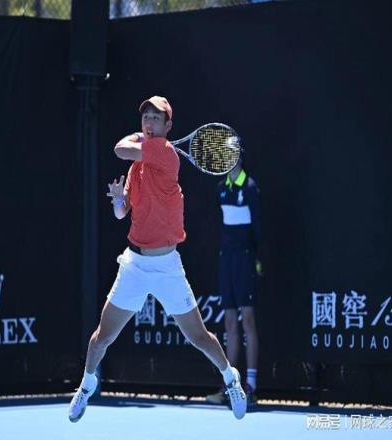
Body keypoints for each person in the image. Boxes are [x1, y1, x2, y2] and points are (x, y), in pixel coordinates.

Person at [69, 96, 247, 422]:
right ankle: (86, 386)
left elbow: (119, 148)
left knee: (198, 337)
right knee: (101, 338)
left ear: (168, 126)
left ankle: (230, 379)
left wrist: (137, 139)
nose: (149, 122)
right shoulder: (136, 168)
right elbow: (122, 213)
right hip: (135, 265)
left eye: (155, 118)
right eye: (145, 117)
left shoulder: (165, 153)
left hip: (167, 266)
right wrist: (118, 200)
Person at [206, 155, 262, 405]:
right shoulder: (221, 189)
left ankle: (251, 386)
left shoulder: (250, 188)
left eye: (234, 155)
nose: (230, 160)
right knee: (229, 321)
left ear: (240, 157)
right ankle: (230, 387)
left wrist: (257, 258)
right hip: (226, 259)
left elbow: (258, 229)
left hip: (245, 259)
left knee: (247, 319)